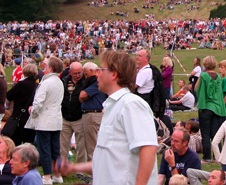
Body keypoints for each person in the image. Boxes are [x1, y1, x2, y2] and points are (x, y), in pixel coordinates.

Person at [55, 50, 158, 185]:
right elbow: (107, 159)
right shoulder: (112, 106)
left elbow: (148, 148)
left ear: (114, 74)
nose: (97, 74)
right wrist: (74, 167)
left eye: (101, 70)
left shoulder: (131, 104)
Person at [25, 56, 64, 185]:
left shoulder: (46, 82)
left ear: (51, 68)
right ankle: (57, 175)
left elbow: (38, 102)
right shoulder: (59, 82)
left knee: (44, 149)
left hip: (45, 121)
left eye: (46, 66)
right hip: (56, 120)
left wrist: (33, 111)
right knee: (55, 149)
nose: (44, 68)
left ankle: (47, 177)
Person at [195, 55, 226, 162]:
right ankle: (218, 156)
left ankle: (207, 157)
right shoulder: (218, 77)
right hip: (217, 108)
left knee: (205, 133)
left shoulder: (203, 75)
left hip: (206, 107)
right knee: (216, 134)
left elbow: (196, 89)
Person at [78, 62, 106, 161]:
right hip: (92, 115)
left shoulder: (96, 82)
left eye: (86, 74)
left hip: (93, 115)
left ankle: (94, 172)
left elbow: (82, 95)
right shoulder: (93, 82)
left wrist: (82, 95)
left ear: (92, 71)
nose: (85, 77)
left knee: (92, 145)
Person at [60, 61, 85, 165]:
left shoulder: (85, 82)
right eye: (75, 73)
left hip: (79, 117)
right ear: (70, 72)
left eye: (80, 72)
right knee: (62, 146)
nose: (78, 75)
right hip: (65, 117)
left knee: (81, 146)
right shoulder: (64, 81)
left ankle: (80, 169)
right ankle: (63, 168)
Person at [5, 64, 37, 144]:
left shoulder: (21, 84)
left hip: (20, 117)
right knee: (29, 143)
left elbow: (9, 96)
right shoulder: (37, 85)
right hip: (32, 118)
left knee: (16, 142)